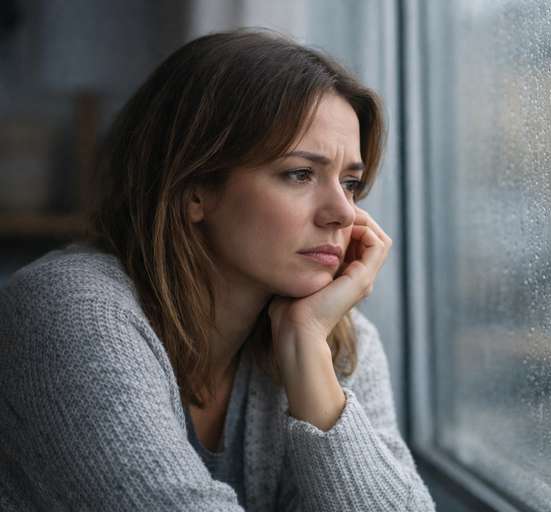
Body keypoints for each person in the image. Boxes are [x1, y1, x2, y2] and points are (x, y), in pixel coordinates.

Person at [0, 29, 436, 511]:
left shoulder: (330, 338)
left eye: (351, 182)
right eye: (299, 174)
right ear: (195, 191)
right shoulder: (69, 313)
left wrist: (304, 346)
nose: (344, 213)